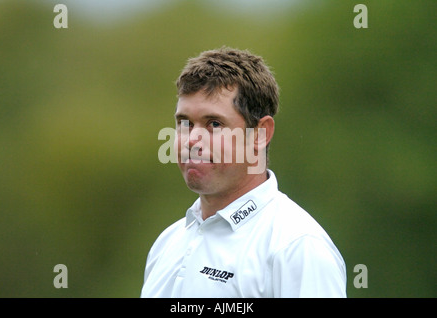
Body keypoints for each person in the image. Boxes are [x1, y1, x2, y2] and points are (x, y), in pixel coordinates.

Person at [141, 47, 346, 297]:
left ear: (260, 134)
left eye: (214, 124)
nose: (192, 139)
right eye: (185, 123)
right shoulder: (167, 243)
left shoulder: (297, 247)